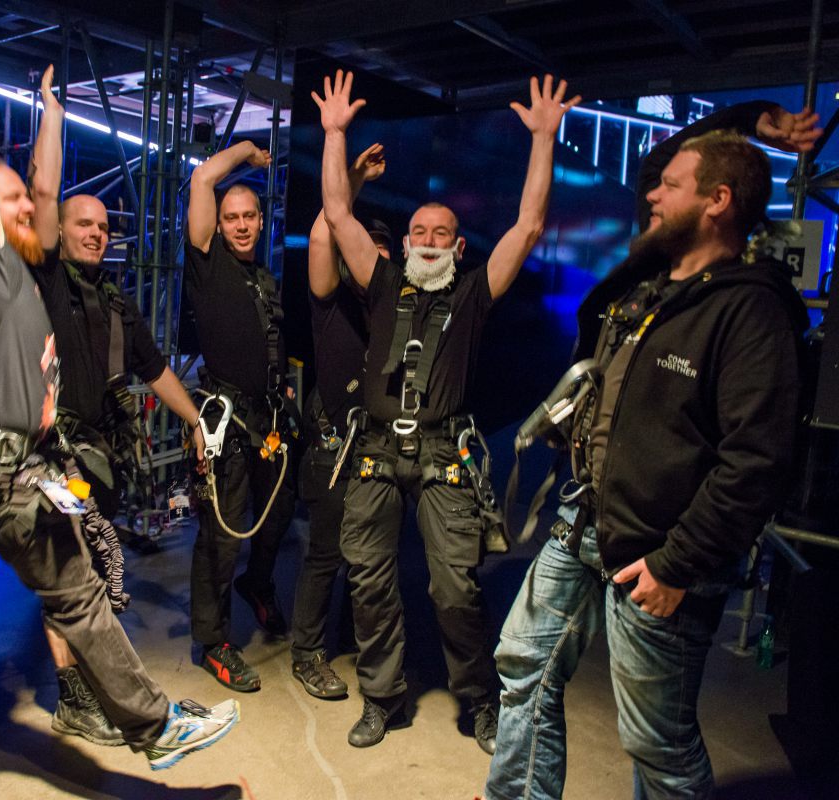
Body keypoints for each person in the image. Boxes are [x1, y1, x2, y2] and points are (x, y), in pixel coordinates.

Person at [0, 15, 237, 774]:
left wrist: (53, 113)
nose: (20, 208)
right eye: (1, 200)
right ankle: (154, 728)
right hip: (4, 481)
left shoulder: (6, 270)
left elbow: (43, 188)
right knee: (77, 593)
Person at [485, 101, 820, 799]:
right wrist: (751, 117)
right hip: (581, 519)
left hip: (657, 554)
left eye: (670, 187)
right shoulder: (648, 285)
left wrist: (677, 564)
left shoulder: (750, 311)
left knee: (654, 744)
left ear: (717, 201)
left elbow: (755, 463)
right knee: (523, 667)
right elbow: (654, 163)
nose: (650, 194)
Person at [314, 69, 579, 751]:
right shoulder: (378, 285)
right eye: (418, 230)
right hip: (375, 450)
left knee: (454, 589)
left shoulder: (472, 293)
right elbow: (339, 215)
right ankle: (381, 698)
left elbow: (528, 224)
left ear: (457, 247)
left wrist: (543, 140)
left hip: (442, 454)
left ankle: (478, 703)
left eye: (441, 231)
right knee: (369, 581)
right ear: (402, 244)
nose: (428, 238)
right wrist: (336, 134)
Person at [25, 65, 207, 746]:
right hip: (47, 460)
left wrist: (194, 423)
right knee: (73, 574)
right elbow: (44, 193)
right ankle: (75, 697)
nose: (97, 233)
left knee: (91, 573)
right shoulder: (45, 280)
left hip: (93, 461)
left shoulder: (114, 301)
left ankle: (84, 687)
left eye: (104, 226)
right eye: (84, 224)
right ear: (61, 231)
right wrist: (50, 112)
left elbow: (154, 369)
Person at [184, 139, 298, 692]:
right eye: (233, 218)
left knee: (276, 515)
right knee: (221, 535)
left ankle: (259, 584)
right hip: (226, 421)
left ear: (262, 219)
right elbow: (203, 180)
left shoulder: (266, 277)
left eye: (250, 215)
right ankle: (212, 642)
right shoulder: (207, 262)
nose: (242, 225)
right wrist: (248, 150)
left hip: (270, 419)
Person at [290, 142, 388, 699]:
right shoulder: (331, 299)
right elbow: (327, 230)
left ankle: (354, 636)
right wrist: (354, 182)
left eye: (377, 253)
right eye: (361, 250)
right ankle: (308, 653)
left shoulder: (396, 307)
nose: (365, 261)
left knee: (370, 557)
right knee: (326, 555)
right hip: (334, 453)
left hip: (378, 453)